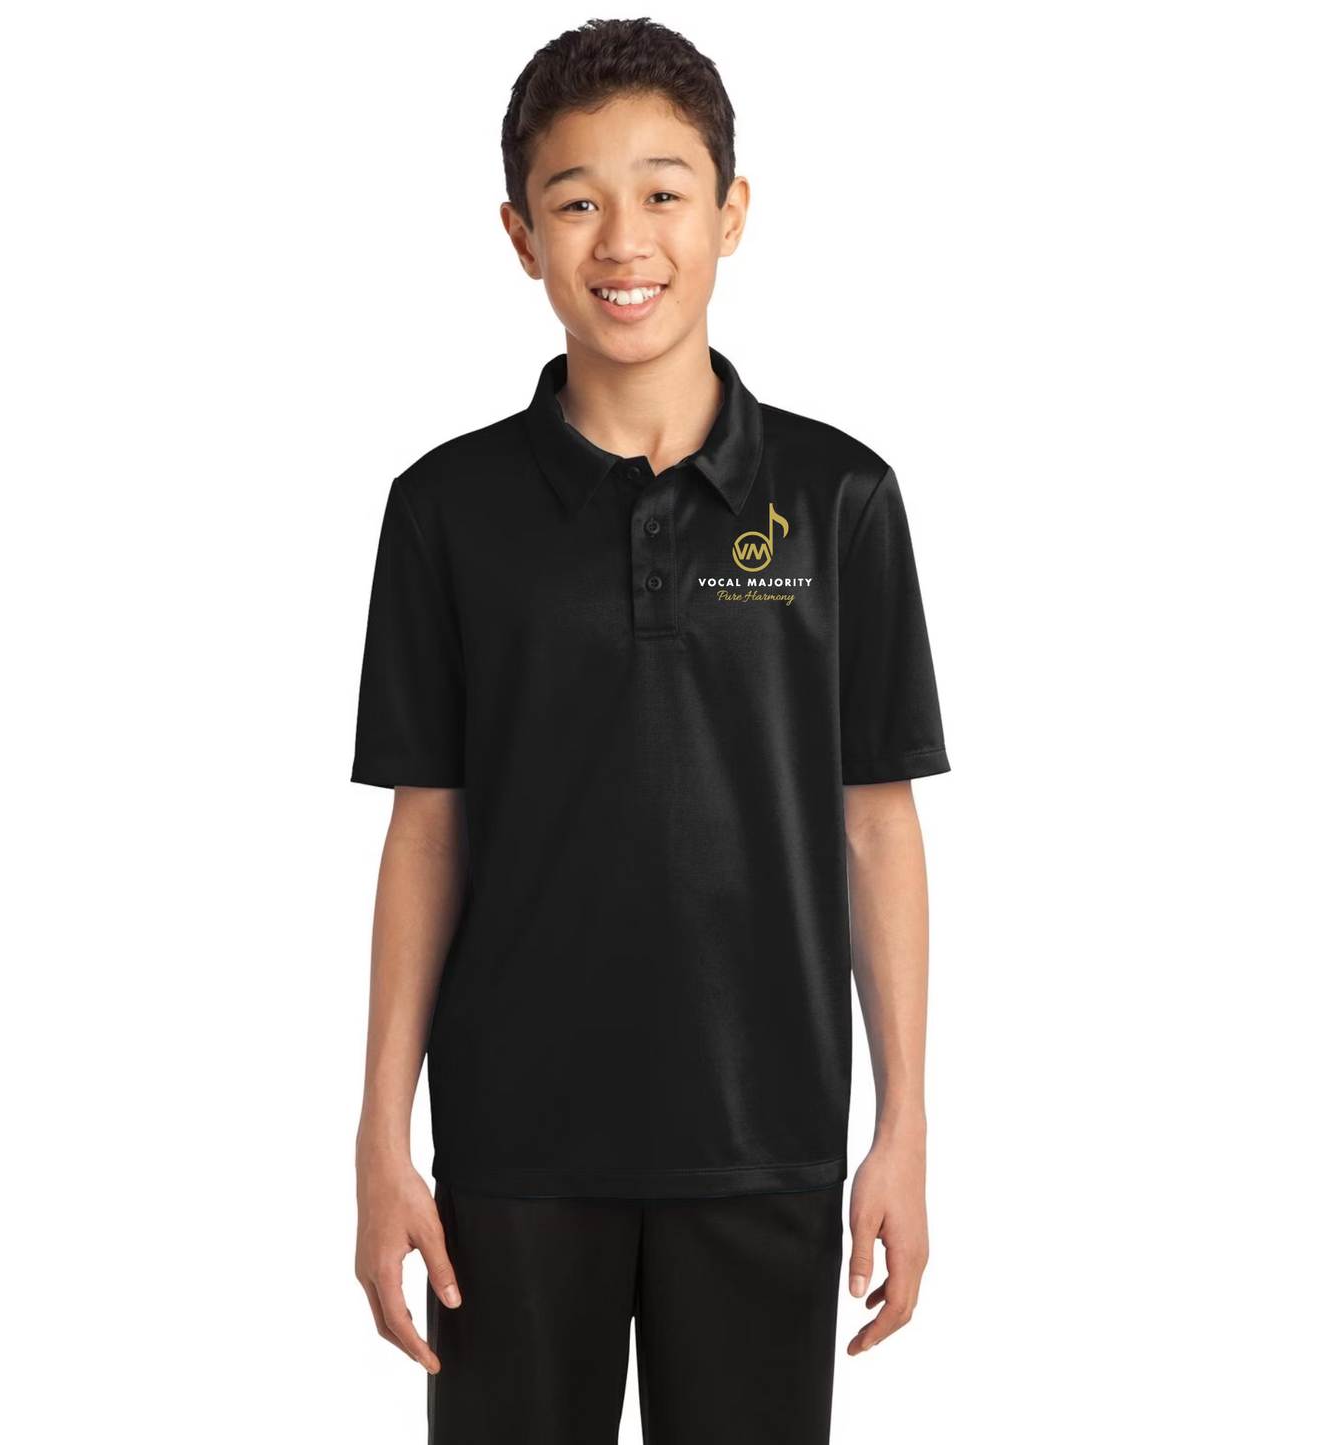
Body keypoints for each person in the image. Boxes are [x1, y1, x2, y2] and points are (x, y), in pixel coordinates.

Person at [350, 17, 950, 1443]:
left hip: (766, 1144)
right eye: (576, 202)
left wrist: (904, 1125)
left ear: (732, 214)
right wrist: (381, 1133)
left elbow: (876, 825)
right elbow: (427, 830)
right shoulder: (445, 512)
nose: (625, 240)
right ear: (521, 235)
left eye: (665, 193)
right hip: (510, 1155)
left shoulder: (842, 499)